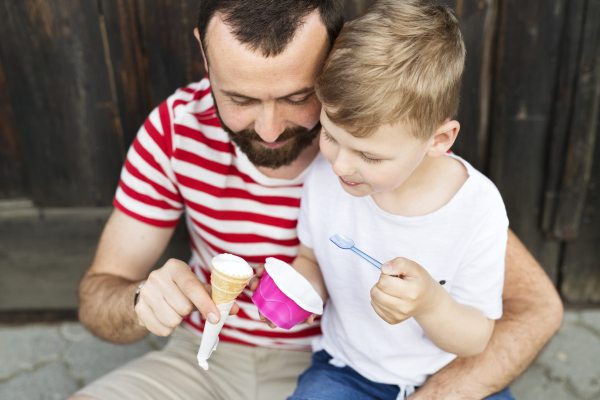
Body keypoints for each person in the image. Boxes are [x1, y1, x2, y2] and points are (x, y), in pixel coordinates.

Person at [69, 1, 563, 399]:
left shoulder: (392, 160)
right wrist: (141, 302)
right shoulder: (175, 130)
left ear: (335, 54)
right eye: (240, 99)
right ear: (204, 53)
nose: (269, 129)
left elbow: (536, 308)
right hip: (207, 361)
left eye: (297, 97)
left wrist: (441, 391)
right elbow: (97, 296)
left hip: (327, 366)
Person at [278, 1, 506, 398]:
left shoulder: (478, 207)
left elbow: (476, 339)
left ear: (439, 140)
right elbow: (312, 257)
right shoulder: (323, 175)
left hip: (445, 377)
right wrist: (296, 290)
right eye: (330, 135)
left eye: (370, 155)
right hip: (345, 371)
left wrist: (431, 304)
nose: (339, 167)